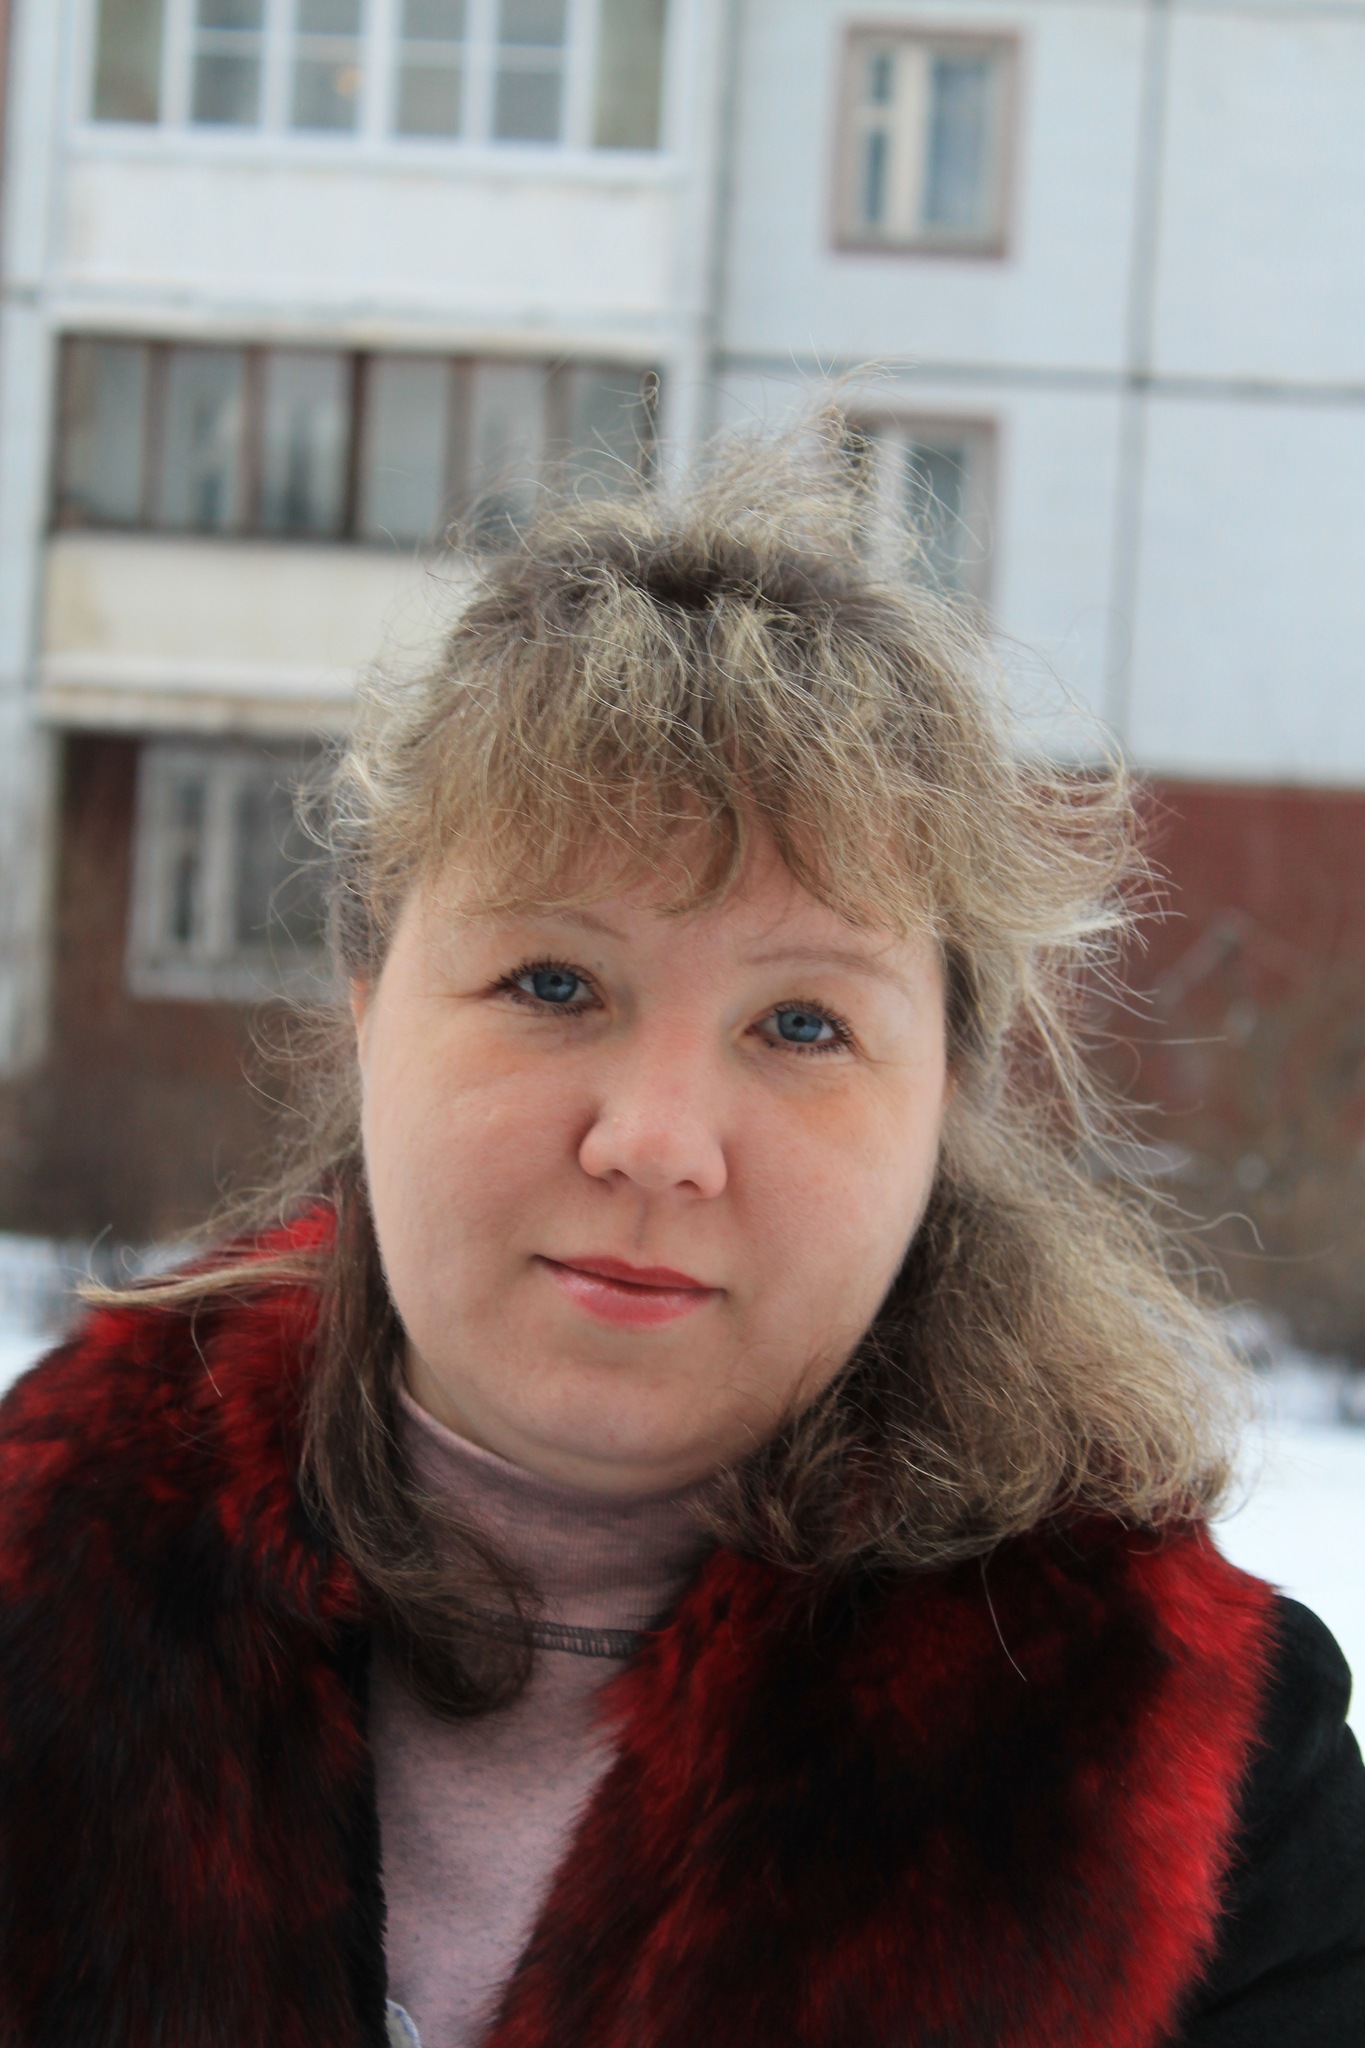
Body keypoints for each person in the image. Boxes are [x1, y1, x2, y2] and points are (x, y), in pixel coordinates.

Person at [0, 431, 1362, 2048]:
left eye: (800, 1023)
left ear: (942, 1100)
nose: (654, 1140)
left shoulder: (1177, 1762)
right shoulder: (36, 1591)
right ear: (366, 1013)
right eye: (552, 983)